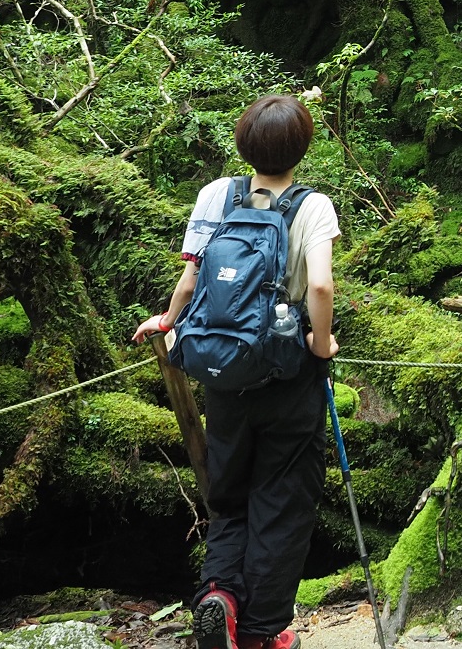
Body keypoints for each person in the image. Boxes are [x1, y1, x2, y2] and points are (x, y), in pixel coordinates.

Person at [133, 94, 341, 649]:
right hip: (287, 374)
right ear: (303, 147)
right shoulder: (313, 206)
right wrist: (322, 344)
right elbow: (320, 286)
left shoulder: (216, 194)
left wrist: (167, 321)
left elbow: (192, 278)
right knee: (283, 499)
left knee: (229, 496)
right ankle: (257, 634)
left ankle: (219, 595)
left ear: (243, 143)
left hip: (221, 370)